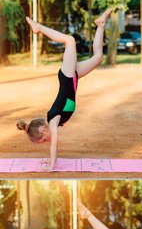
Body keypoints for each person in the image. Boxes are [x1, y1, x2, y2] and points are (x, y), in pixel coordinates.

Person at [17, 9, 113, 170]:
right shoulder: (56, 121)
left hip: (68, 76)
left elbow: (54, 145)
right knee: (98, 58)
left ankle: (38, 27)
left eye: (42, 140)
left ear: (42, 130)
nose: (47, 141)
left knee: (70, 40)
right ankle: (100, 24)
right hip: (72, 78)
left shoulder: (53, 120)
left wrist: (51, 166)